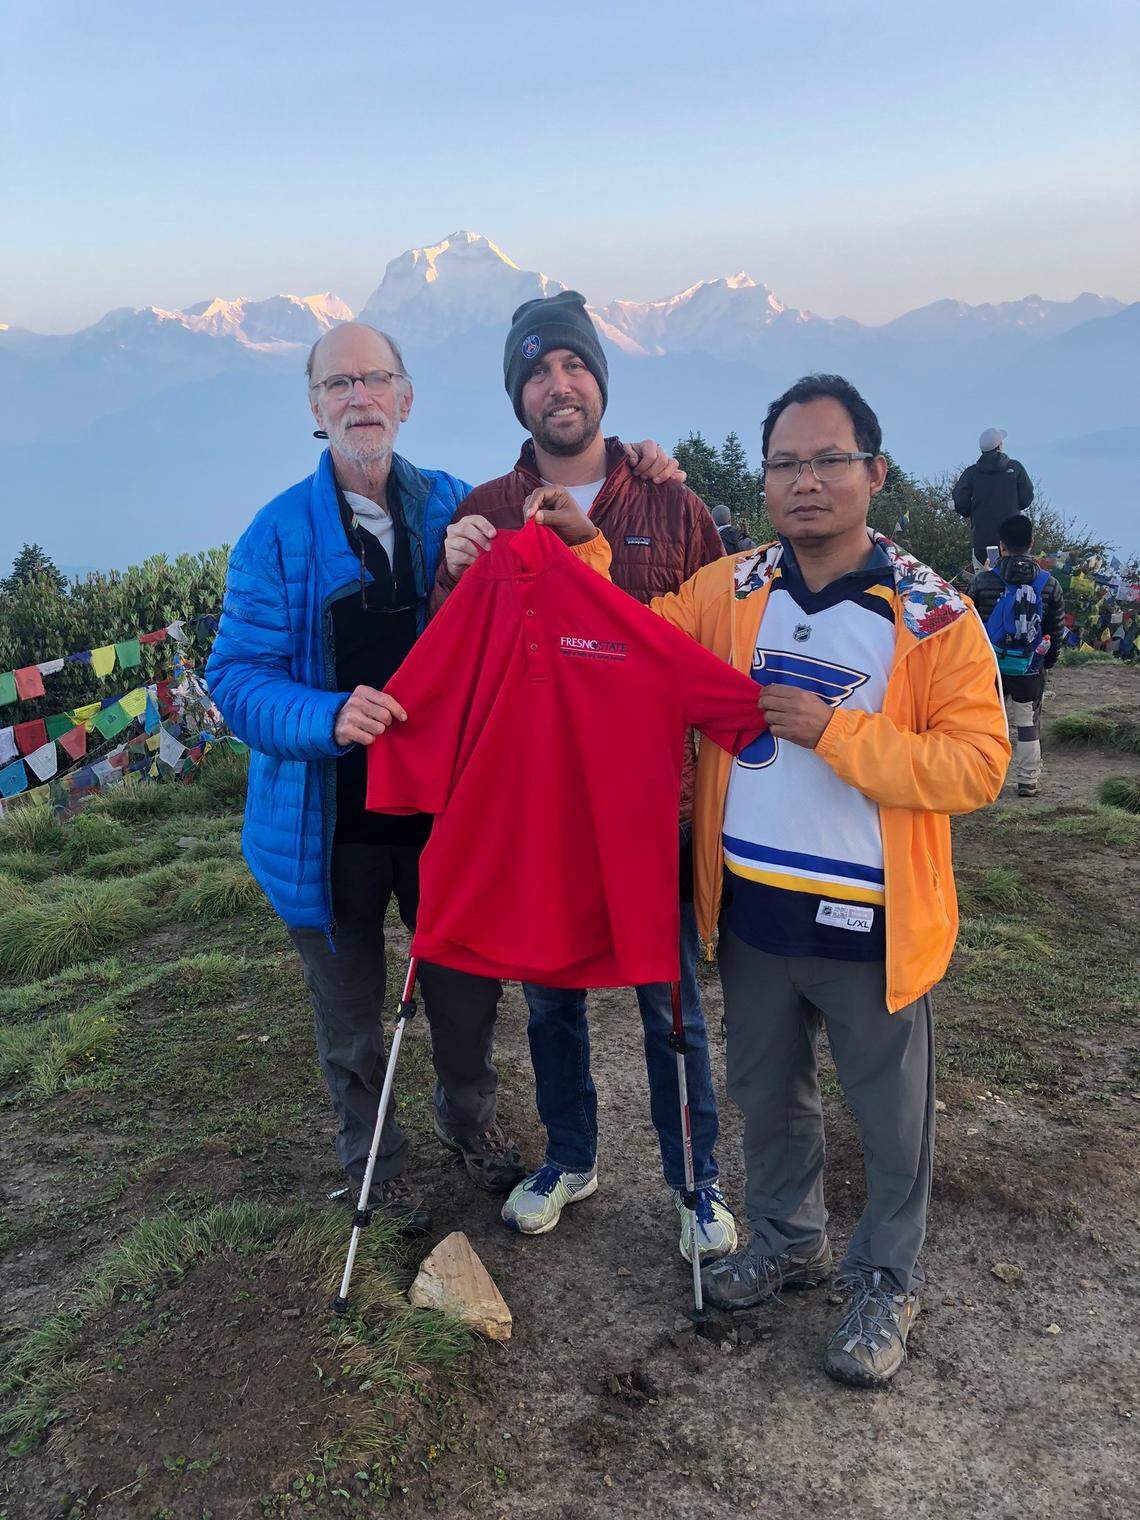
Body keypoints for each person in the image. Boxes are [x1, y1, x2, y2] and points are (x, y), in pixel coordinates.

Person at [206, 321, 678, 1229]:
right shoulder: (273, 537)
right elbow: (234, 678)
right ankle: (370, 1167)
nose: (359, 398)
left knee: (467, 995)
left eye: (374, 379)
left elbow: (560, 549)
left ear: (406, 397)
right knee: (349, 1018)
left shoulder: (457, 507)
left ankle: (472, 1127)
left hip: (449, 821)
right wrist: (327, 715)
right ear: (315, 408)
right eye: (338, 385)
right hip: (326, 824)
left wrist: (644, 464)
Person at [643, 374, 1009, 1388]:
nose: (806, 481)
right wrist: (570, 552)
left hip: (872, 919)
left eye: (828, 460)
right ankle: (786, 1235)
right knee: (768, 1094)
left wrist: (840, 732)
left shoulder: (931, 615)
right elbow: (645, 637)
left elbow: (977, 764)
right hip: (755, 909)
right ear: (765, 482)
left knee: (891, 1118)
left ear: (874, 473)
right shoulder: (735, 587)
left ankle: (887, 1275)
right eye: (786, 464)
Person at [433, 289, 737, 1265]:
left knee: (668, 997)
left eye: (572, 366)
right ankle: (572, 1154)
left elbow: (715, 648)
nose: (556, 386)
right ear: (517, 395)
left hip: (656, 806)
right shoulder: (485, 510)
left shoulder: (672, 504)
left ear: (600, 378)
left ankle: (698, 1182)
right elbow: (455, 658)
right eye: (535, 372)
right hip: (543, 812)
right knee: (552, 998)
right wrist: (450, 568)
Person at [969, 514, 1064, 797]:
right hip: (1029, 667)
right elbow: (1054, 631)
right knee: (1026, 723)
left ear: (1001, 546)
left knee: (985, 722)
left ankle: (982, 779)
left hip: (988, 667)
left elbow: (968, 626)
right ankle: (1028, 780)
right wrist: (1047, 662)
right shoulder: (1050, 584)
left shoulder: (983, 581)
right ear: (1032, 543)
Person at [953, 427, 1034, 571]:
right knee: (1015, 579)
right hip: (1012, 541)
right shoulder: (1016, 468)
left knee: (984, 581)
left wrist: (972, 510)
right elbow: (1026, 499)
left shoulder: (971, 473)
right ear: (999, 446)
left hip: (982, 540)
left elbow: (960, 502)